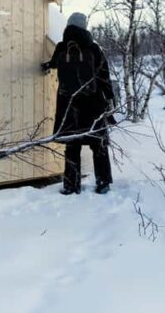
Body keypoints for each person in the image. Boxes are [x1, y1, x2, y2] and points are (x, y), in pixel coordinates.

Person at [42, 12, 115, 195]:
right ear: (84, 26)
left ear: (68, 25)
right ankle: (103, 183)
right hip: (93, 103)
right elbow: (104, 75)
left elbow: (54, 64)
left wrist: (46, 66)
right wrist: (110, 100)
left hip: (69, 104)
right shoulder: (93, 48)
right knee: (98, 144)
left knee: (72, 146)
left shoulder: (62, 46)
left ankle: (71, 185)